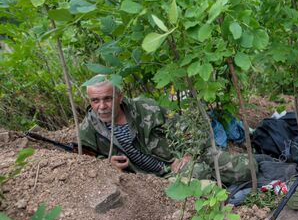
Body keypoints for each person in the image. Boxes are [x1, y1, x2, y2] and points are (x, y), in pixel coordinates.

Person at [79, 76, 254, 184]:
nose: (102, 106)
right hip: (156, 177)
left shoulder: (145, 108)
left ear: (120, 96)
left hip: (183, 157)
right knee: (199, 173)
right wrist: (106, 164)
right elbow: (81, 164)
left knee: (248, 168)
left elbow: (188, 129)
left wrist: (188, 155)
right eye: (95, 100)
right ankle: (215, 187)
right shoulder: (89, 129)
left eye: (108, 98)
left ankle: (218, 181)